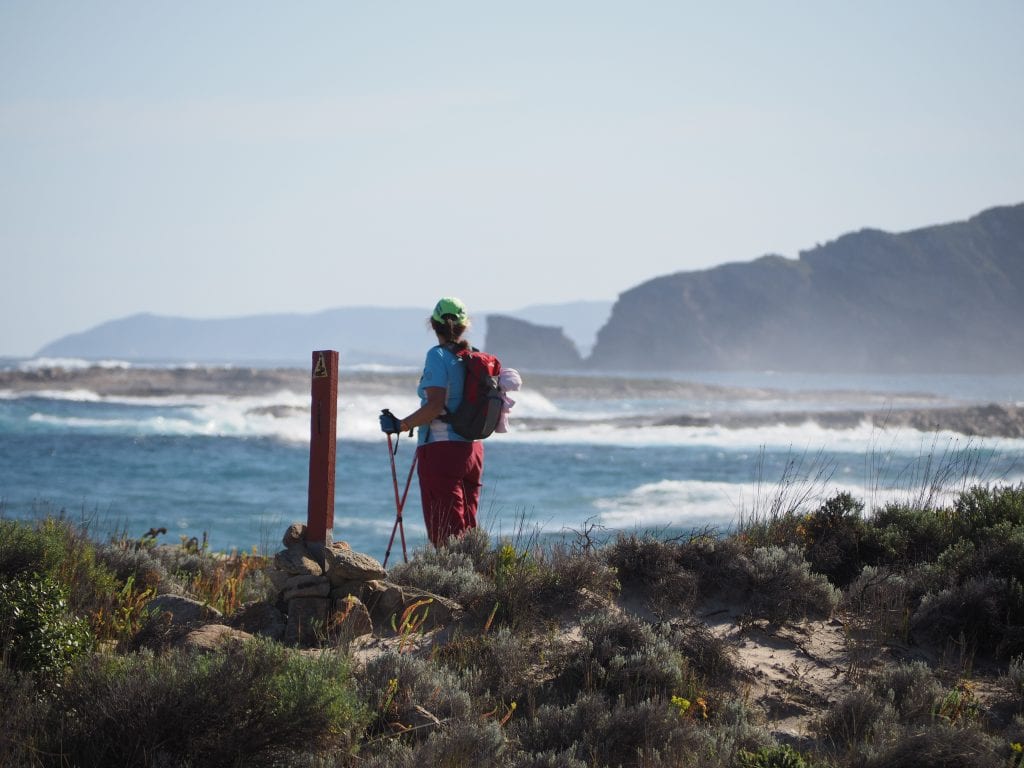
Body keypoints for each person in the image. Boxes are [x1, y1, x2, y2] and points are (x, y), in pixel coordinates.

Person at [379, 297, 483, 547]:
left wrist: (401, 425)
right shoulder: (470, 356)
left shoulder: (437, 356)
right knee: (467, 528)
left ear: (433, 325)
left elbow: (435, 405)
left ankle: (455, 584)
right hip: (473, 449)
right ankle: (477, 582)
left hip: (442, 450)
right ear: (464, 325)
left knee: (446, 532)